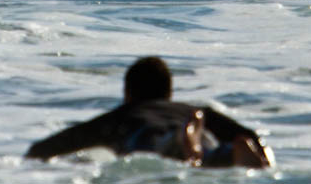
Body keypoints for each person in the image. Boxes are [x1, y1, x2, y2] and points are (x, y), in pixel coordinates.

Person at [25, 56, 273, 168]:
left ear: (128, 94)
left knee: (167, 152)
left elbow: (43, 149)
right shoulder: (191, 110)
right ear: (169, 93)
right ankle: (217, 150)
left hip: (147, 137)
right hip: (200, 134)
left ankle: (188, 143)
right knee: (212, 156)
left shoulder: (123, 115)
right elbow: (252, 136)